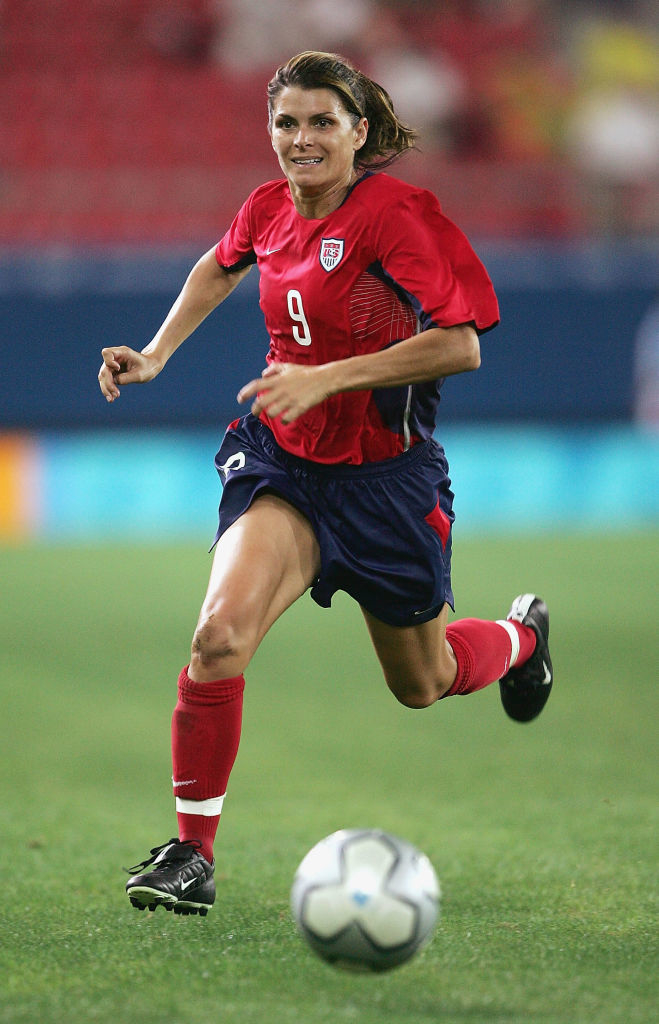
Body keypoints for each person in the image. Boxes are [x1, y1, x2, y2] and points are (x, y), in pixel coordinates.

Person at [98, 51, 553, 917]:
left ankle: (522, 638)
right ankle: (191, 854)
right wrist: (155, 354)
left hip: (386, 481)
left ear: (359, 132)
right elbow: (219, 265)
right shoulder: (266, 208)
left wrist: (332, 374)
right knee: (218, 639)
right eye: (285, 122)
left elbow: (461, 343)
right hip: (285, 463)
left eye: (320, 122)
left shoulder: (399, 216)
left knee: (420, 683)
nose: (300, 139)